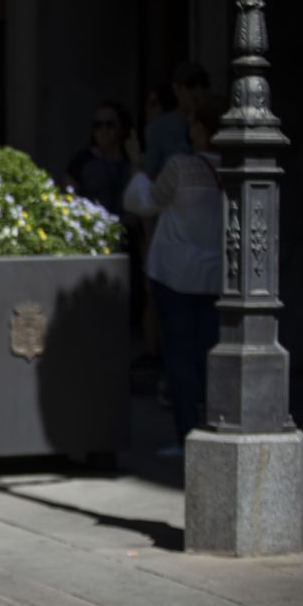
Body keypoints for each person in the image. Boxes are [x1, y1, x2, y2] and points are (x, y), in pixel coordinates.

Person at [122, 94, 227, 452]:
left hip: (177, 276)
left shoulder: (183, 167)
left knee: (180, 359)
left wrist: (136, 164)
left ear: (200, 129)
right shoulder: (233, 169)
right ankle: (213, 427)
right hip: (215, 277)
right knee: (207, 356)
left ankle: (187, 435)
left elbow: (146, 201)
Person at [65, 102, 134, 217]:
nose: (103, 130)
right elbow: (69, 198)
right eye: (98, 125)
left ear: (122, 127)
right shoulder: (81, 161)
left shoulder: (132, 161)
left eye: (110, 124)